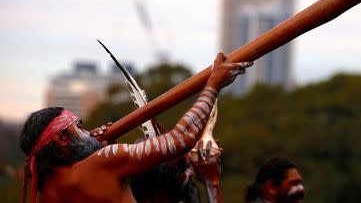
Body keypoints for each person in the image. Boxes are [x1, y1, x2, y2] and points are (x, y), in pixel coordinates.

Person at [19, 53, 252, 203]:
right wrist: (213, 85)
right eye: (79, 127)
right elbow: (180, 139)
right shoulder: (103, 162)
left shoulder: (47, 193)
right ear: (61, 138)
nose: (88, 131)